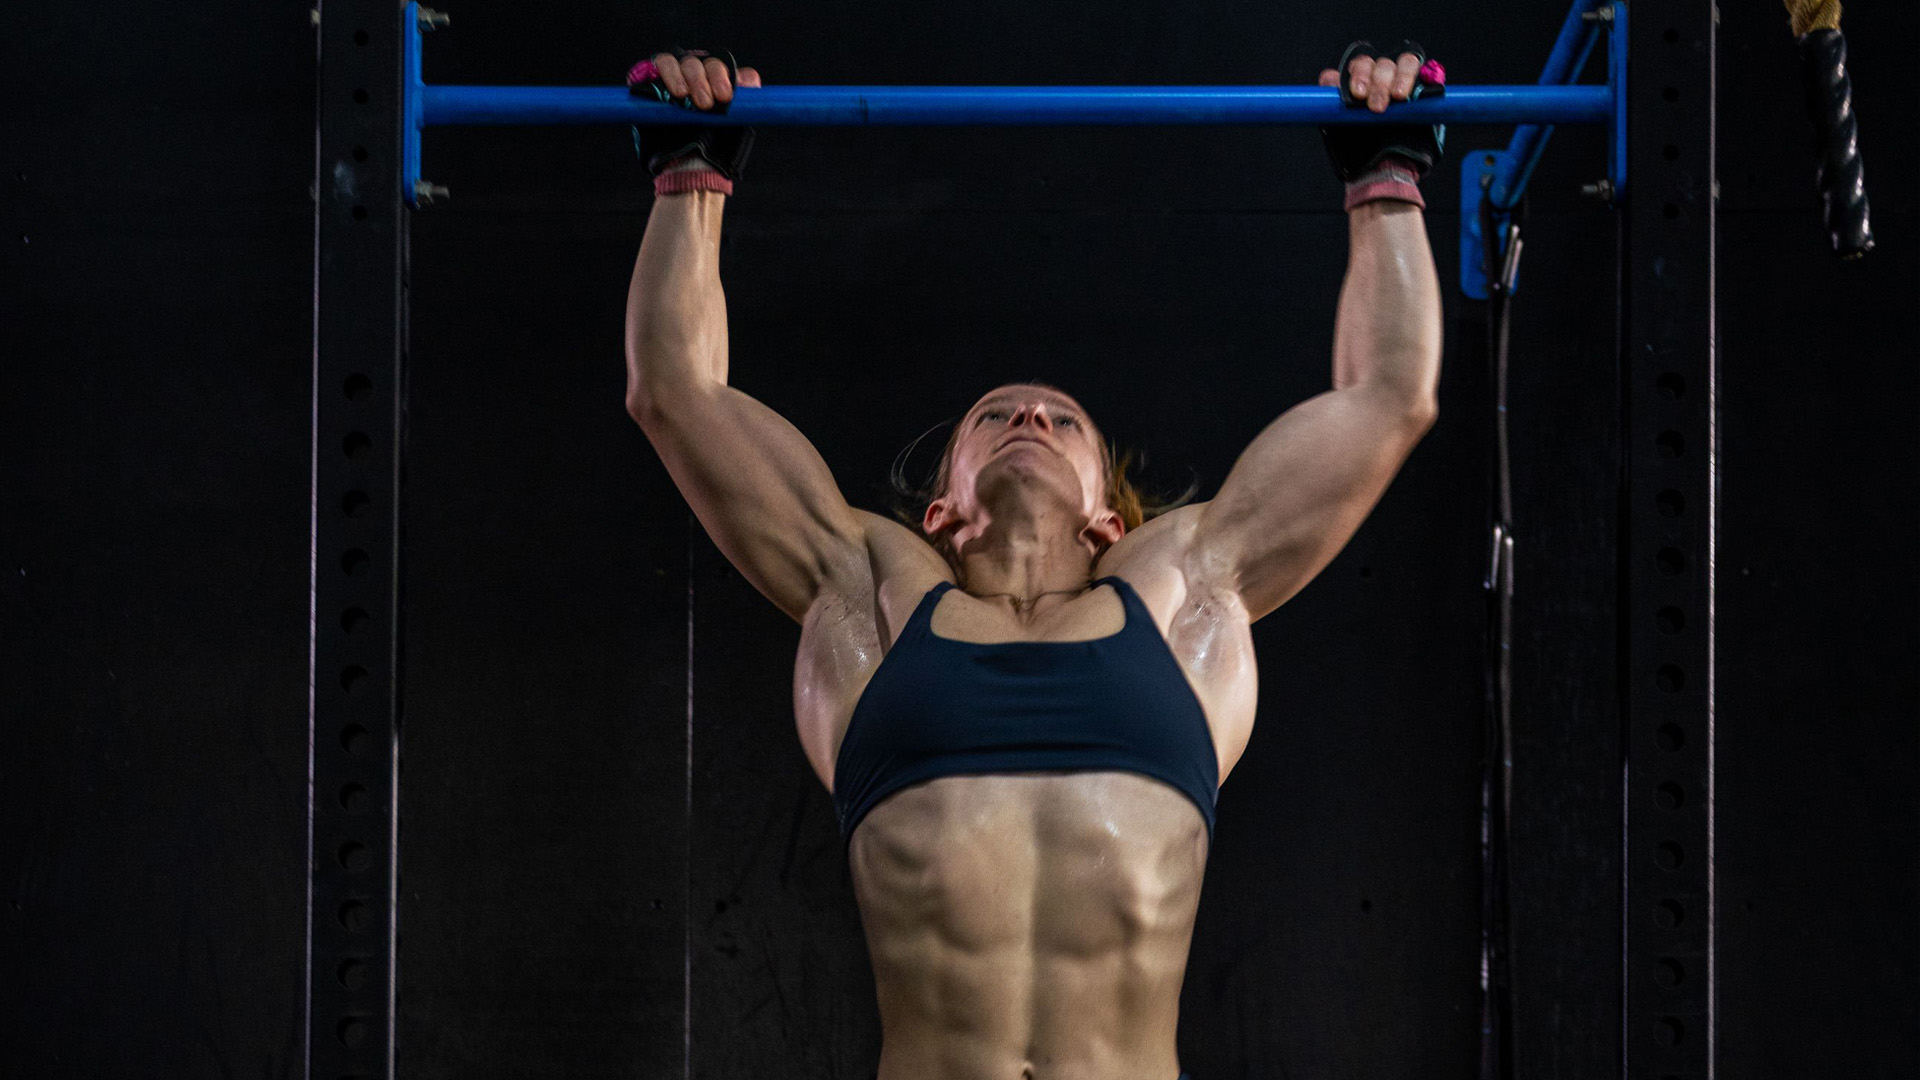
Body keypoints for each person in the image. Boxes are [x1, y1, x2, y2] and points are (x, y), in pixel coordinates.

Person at [623, 41, 1445, 1080]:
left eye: (1062, 420)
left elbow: (1390, 398)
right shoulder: (868, 594)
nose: (1030, 419)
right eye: (997, 415)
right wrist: (691, 171)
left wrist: (1385, 175)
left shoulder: (1186, 589)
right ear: (942, 509)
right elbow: (675, 392)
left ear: (1108, 517)